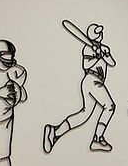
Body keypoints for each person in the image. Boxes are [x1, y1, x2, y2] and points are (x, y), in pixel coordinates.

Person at [43, 23, 116, 153]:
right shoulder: (88, 48)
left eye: (100, 32)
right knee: (109, 106)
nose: (100, 34)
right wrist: (97, 56)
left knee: (84, 115)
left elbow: (112, 62)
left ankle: (55, 132)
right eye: (97, 33)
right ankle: (97, 139)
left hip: (97, 81)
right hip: (92, 80)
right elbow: (86, 65)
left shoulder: (104, 48)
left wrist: (104, 54)